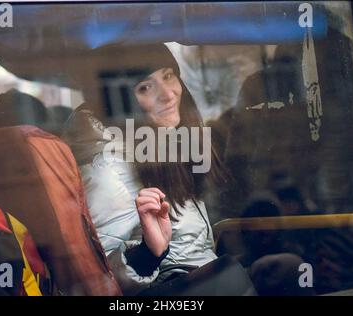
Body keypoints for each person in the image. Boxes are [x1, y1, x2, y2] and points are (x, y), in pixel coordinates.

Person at [63, 43, 237, 295]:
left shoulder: (163, 143)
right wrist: (147, 254)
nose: (168, 94)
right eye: (145, 87)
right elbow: (104, 282)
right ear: (121, 103)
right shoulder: (108, 169)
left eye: (168, 76)